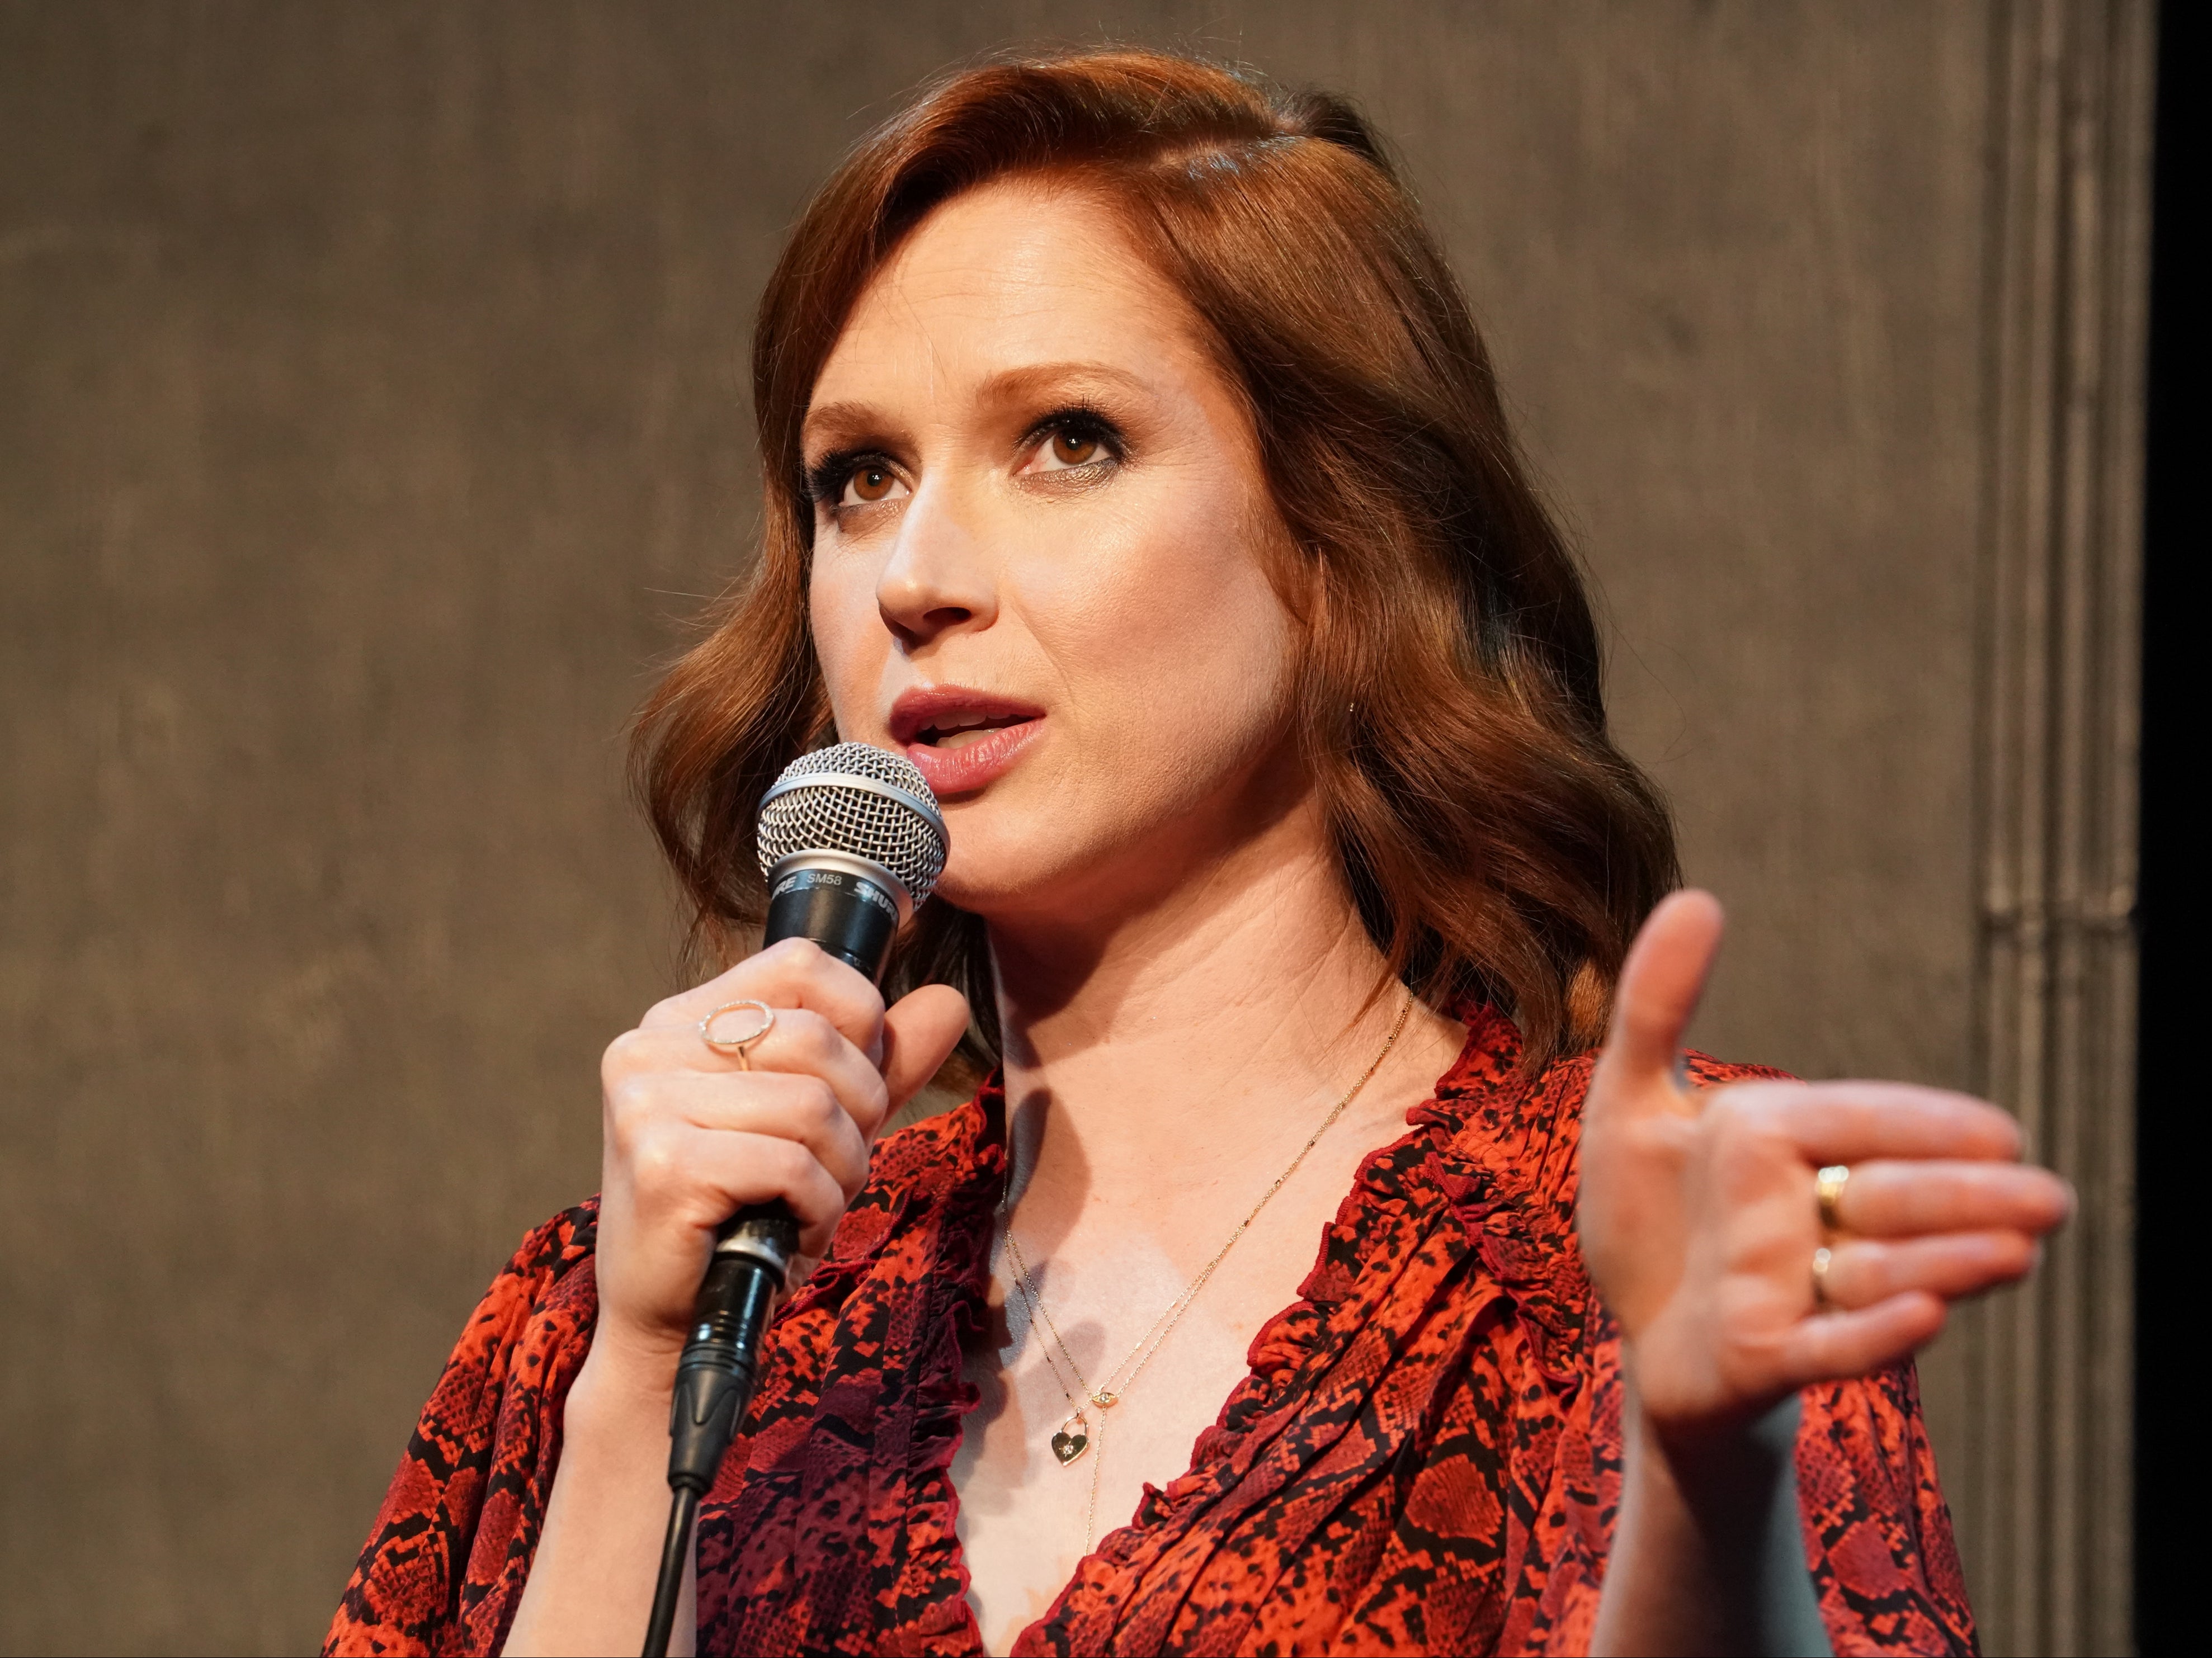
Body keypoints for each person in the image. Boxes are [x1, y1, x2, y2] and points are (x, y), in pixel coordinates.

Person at [326, 49, 2070, 1658]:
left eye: (1065, 443)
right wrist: (642, 1381)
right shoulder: (632, 1303)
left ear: (1339, 542)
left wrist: (1703, 1474)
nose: (913, 574)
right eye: (857, 477)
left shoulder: (1630, 1238)